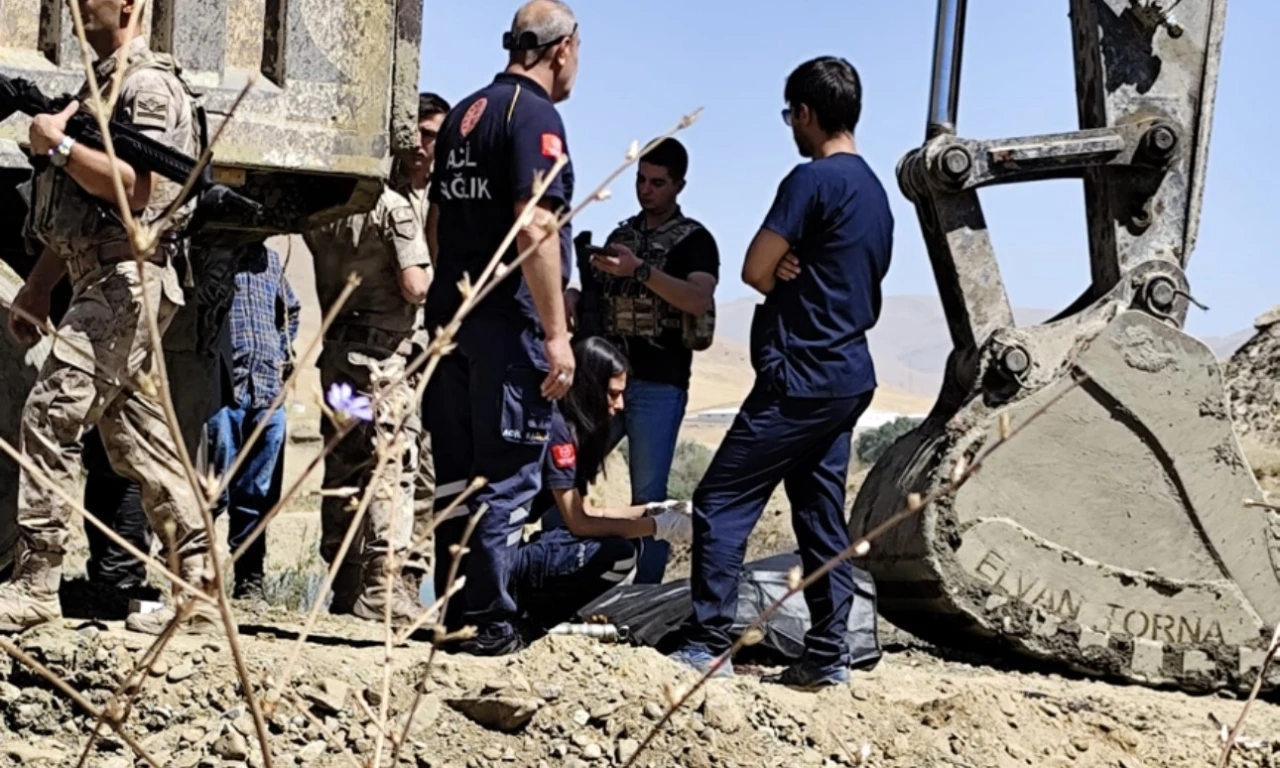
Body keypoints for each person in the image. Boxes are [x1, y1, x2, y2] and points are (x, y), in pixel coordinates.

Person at [669, 56, 894, 689]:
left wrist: (783, 264)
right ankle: (828, 654)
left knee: (721, 500)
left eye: (790, 115)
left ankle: (708, 644)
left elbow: (753, 270)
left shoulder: (811, 181)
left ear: (806, 113)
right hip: (846, 375)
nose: (790, 126)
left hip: (799, 376)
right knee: (820, 515)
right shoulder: (876, 193)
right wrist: (798, 260)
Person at [0, 0, 214, 635]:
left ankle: (35, 583)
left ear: (128, 5)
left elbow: (138, 191)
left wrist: (61, 146)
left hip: (128, 279)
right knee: (140, 442)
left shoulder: (146, 86)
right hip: (101, 274)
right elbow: (81, 211)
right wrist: (39, 287)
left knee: (49, 412)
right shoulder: (99, 86)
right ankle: (200, 591)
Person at [425, 0, 580, 656]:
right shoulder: (534, 116)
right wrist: (555, 333)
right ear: (563, 49)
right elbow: (536, 223)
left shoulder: (465, 114)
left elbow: (437, 220)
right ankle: (490, 622)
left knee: (456, 475)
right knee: (508, 474)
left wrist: (455, 292)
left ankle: (454, 614)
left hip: (453, 319)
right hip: (508, 329)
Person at [434, 337, 693, 638]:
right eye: (612, 394)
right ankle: (531, 625)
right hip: (488, 564)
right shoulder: (558, 434)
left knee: (620, 540)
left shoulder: (563, 425)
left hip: (487, 560)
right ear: (590, 387)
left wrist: (654, 510)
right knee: (617, 553)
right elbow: (580, 523)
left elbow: (586, 510)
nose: (620, 405)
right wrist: (659, 527)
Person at [303, 109, 435, 625]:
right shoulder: (393, 208)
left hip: (338, 357)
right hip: (382, 360)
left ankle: (343, 585)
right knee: (390, 467)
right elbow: (415, 285)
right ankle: (383, 586)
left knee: (345, 465)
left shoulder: (327, 208)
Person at [567, 136, 719, 584]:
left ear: (679, 185)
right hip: (608, 382)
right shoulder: (621, 236)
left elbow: (697, 298)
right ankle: (560, 572)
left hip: (659, 381)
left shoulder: (694, 241)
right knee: (567, 476)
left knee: (649, 496)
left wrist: (640, 271)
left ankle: (646, 593)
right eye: (640, 180)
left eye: (657, 182)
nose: (646, 190)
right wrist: (576, 295)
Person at [206, 243, 301, 601]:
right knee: (210, 489)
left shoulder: (270, 261)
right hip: (222, 390)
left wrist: (282, 354)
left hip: (266, 391)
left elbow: (290, 309)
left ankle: (249, 579)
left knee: (258, 493)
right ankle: (198, 575)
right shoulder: (208, 254)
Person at [401, 91, 451, 599]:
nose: (419, 143)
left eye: (431, 134)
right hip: (386, 343)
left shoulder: (453, 200)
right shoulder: (382, 193)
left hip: (434, 345)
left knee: (426, 467)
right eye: (413, 131)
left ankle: (410, 577)